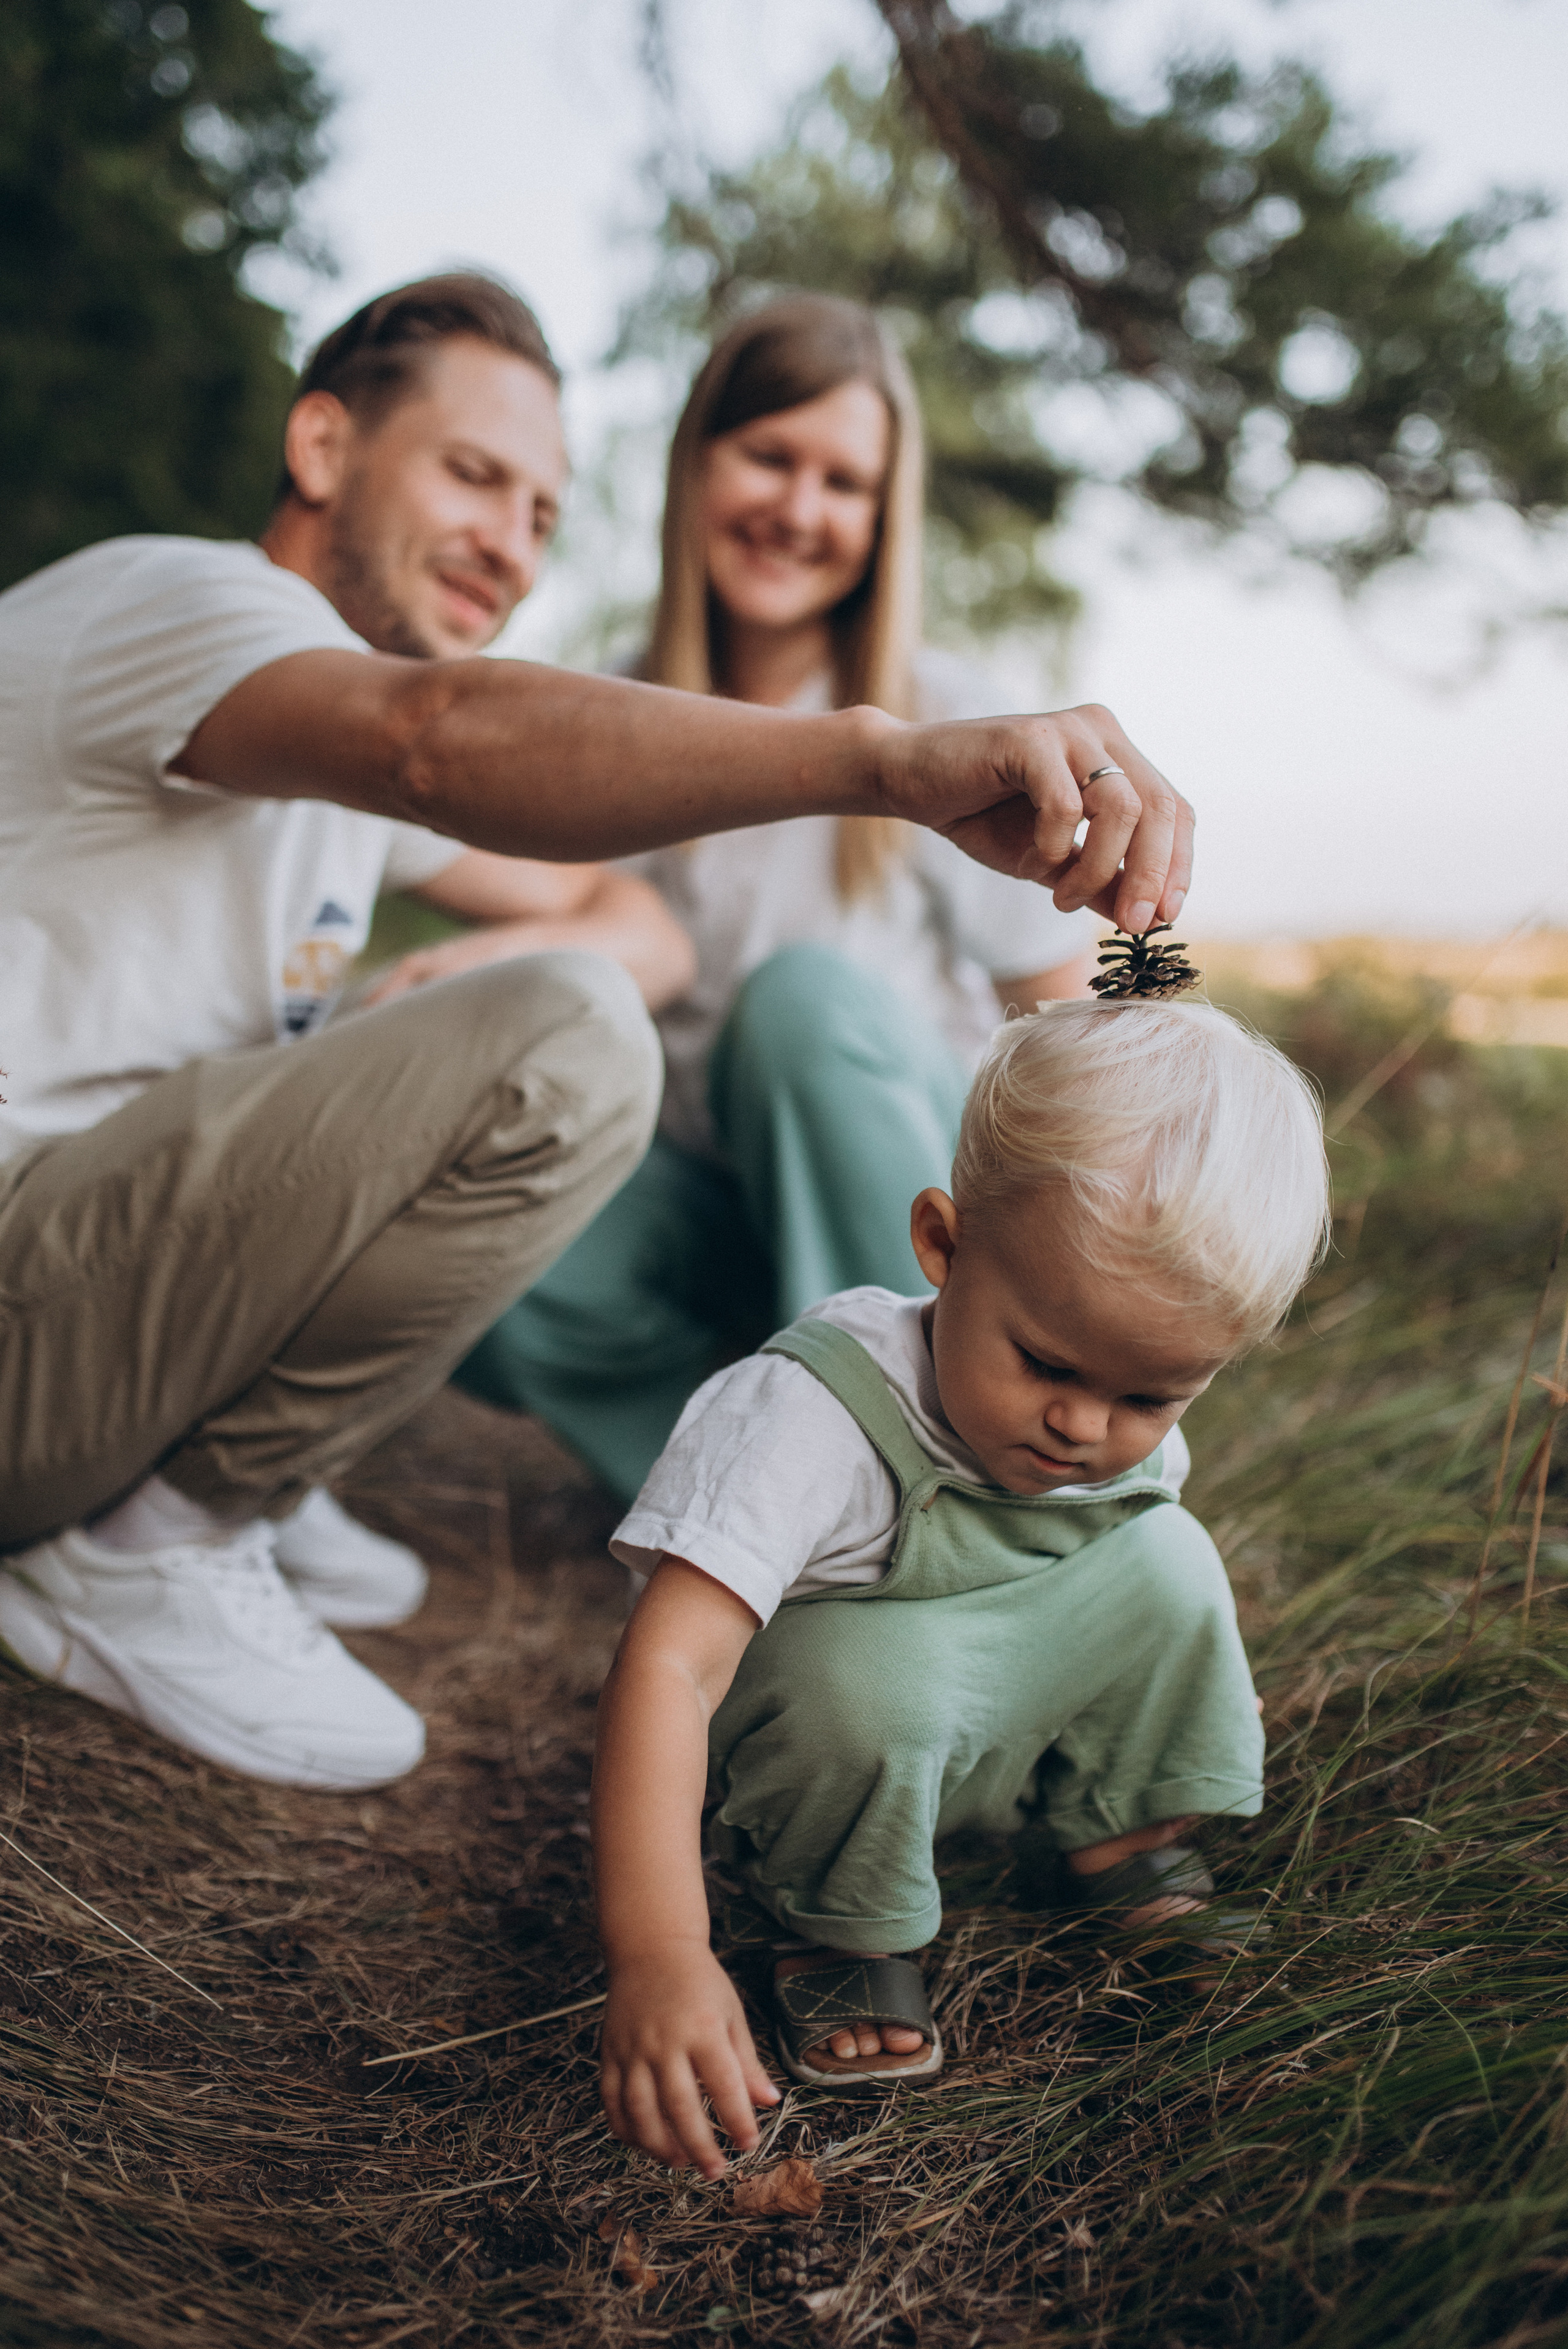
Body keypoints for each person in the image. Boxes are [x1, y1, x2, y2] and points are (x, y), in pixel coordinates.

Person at [0, 272, 1193, 1792]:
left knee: (788, 1011)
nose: (508, 539)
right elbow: (461, 764)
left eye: (541, 512)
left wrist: (1165, 1169)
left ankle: (943, 1504)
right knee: (545, 1065)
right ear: (319, 447)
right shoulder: (256, 626)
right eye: (472, 476)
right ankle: (745, 1496)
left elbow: (1088, 981)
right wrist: (586, 936)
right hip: (677, 1248)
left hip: (917, 1251)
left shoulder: (926, 710)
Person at [591, 997, 1331, 2178]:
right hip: (845, 1733)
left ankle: (1117, 1834)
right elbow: (670, 1663)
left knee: (1170, 1557)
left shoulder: (1104, 1401)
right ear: (944, 1242)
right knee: (860, 1682)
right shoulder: (809, 1417)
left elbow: (1115, 1585)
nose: (1085, 1424)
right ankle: (837, 1923)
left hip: (989, 1710)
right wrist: (660, 1951)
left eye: (1151, 1398)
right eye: (1045, 1362)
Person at [455, 295, 1106, 1501]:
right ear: (695, 461)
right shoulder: (606, 712)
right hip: (700, 1215)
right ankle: (737, 1503)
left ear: (881, 515)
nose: (798, 511)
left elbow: (1063, 1037)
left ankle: (915, 1477)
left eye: (842, 482)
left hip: (908, 1220)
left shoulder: (950, 723)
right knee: (473, 1208)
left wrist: (1078, 1318)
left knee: (796, 1006)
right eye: (767, 456)